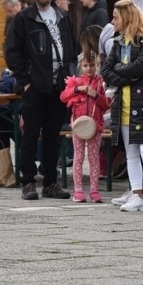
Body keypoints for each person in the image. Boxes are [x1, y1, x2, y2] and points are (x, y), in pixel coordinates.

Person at [4, 0, 79, 201]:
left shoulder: (63, 17)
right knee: (30, 135)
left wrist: (70, 78)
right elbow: (12, 52)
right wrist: (26, 81)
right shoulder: (24, 18)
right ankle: (28, 182)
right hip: (34, 86)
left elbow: (72, 50)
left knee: (53, 136)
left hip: (59, 86)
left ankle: (50, 182)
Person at [100, 0, 143, 214]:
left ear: (126, 17)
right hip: (123, 105)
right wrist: (126, 73)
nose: (112, 21)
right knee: (131, 152)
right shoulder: (117, 43)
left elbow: (141, 67)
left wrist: (120, 72)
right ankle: (136, 194)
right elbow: (106, 71)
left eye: (116, 17)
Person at [60, 43, 110, 204]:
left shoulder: (100, 83)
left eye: (92, 65)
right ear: (80, 66)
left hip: (95, 125)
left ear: (97, 65)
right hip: (79, 126)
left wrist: (94, 94)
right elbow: (64, 96)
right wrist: (77, 90)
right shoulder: (76, 82)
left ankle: (94, 190)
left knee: (94, 157)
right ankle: (78, 190)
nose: (89, 68)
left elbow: (106, 104)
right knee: (78, 157)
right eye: (86, 65)